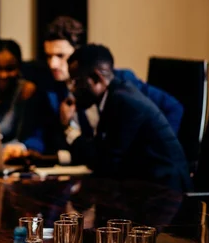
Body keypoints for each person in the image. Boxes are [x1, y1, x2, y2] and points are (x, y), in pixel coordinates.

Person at [39, 16, 184, 158]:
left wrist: (160, 150)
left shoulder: (121, 82)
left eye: (61, 56)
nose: (53, 64)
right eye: (48, 56)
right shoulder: (52, 91)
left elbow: (173, 107)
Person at [65, 44, 192, 192]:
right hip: (147, 187)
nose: (72, 89)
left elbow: (107, 162)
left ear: (96, 78)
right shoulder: (113, 97)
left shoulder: (124, 101)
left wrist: (68, 128)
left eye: (76, 82)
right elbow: (101, 154)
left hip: (167, 191)